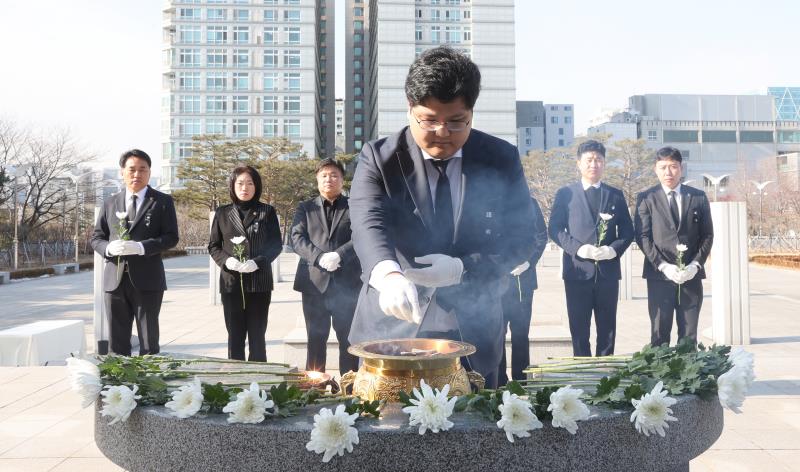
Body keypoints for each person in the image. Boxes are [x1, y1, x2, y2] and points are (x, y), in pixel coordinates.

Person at [348, 46, 537, 388]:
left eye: (456, 122)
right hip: (395, 321)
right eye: (429, 120)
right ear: (410, 109)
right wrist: (387, 274)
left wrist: (464, 267)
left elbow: (523, 236)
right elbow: (366, 221)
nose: (442, 133)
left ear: (471, 113)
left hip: (473, 325)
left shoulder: (500, 158)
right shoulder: (379, 158)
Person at [548, 140, 634, 357]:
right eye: (589, 160)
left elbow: (627, 231)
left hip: (607, 273)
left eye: (598, 160)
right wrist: (578, 249)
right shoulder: (565, 194)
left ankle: (605, 372)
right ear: (579, 163)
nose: (593, 164)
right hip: (577, 272)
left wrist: (613, 250)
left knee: (607, 328)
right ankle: (581, 373)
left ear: (604, 163)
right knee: (579, 328)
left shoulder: (615, 195)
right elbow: (555, 229)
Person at [91, 149, 179, 356]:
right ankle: (119, 386)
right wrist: (108, 249)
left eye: (142, 169)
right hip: (115, 280)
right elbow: (96, 238)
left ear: (149, 173)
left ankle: (148, 385)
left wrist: (142, 247)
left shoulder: (162, 202)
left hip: (148, 280)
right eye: (131, 169)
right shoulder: (110, 202)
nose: (137, 174)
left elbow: (171, 237)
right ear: (122, 172)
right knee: (117, 341)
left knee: (148, 341)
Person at [634, 147, 714, 347]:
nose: (668, 172)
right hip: (659, 276)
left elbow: (707, 235)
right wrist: (663, 266)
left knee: (689, 334)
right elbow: (642, 237)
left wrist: (695, 265)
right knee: (659, 332)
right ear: (655, 169)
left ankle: (687, 376)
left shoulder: (698, 197)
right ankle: (660, 376)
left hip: (690, 276)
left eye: (673, 167)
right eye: (663, 167)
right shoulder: (646, 198)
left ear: (681, 168)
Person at [291, 158, 361, 375]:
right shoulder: (306, 207)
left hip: (347, 283)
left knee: (348, 338)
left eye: (334, 175)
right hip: (314, 284)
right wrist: (319, 257)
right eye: (324, 175)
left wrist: (340, 255)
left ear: (342, 180)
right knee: (315, 337)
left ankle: (349, 388)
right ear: (317, 180)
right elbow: (296, 237)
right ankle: (315, 387)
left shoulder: (354, 206)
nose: (329, 179)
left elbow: (362, 236)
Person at [208, 165, 282, 361]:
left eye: (250, 183)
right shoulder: (223, 213)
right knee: (235, 336)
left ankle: (259, 381)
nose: (245, 188)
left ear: (256, 186)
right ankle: (236, 379)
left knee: (257, 335)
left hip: (259, 283)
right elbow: (214, 246)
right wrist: (227, 261)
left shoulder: (267, 211)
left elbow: (275, 245)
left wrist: (258, 262)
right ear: (232, 186)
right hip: (231, 283)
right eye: (240, 183)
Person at [498, 197, 548, 385]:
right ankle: (499, 380)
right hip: (498, 281)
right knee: (498, 333)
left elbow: (541, 236)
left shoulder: (531, 203)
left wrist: (529, 262)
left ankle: (521, 380)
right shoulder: (493, 200)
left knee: (520, 333)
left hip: (523, 280)